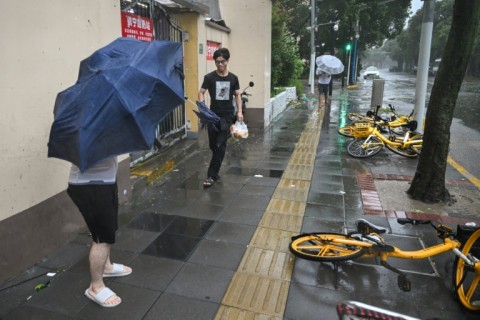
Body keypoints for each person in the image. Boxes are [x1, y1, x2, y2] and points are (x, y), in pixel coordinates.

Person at [66, 157, 132, 308]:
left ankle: (106, 267)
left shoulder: (104, 132)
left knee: (109, 229)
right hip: (91, 186)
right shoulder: (88, 133)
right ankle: (95, 287)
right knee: (103, 238)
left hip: (105, 182)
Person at [198, 48, 243, 188]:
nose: (220, 64)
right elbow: (201, 92)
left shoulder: (233, 78)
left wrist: (239, 112)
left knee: (219, 144)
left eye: (222, 61)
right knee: (213, 145)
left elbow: (237, 95)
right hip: (213, 116)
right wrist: (202, 107)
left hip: (227, 116)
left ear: (227, 61)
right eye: (217, 62)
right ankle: (215, 172)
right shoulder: (209, 77)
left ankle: (211, 176)